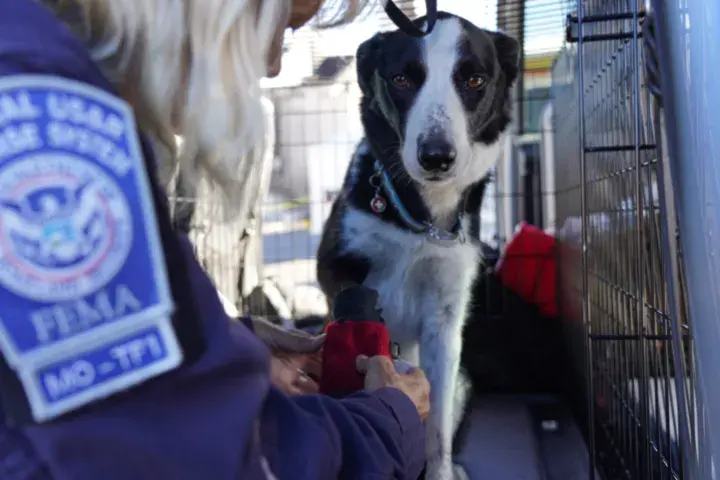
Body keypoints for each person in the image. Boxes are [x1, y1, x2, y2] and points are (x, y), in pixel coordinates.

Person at [0, 0, 432, 479]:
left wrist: (222, 347)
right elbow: (193, 457)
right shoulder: (48, 115)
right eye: (280, 25)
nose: (272, 64)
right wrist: (389, 420)